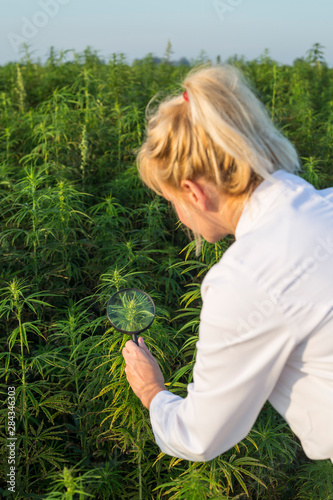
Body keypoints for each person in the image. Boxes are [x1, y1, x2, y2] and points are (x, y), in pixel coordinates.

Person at [122, 64, 333, 463]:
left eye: (172, 201)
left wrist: (153, 393)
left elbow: (200, 435)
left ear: (193, 192)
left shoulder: (248, 277)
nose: (180, 216)